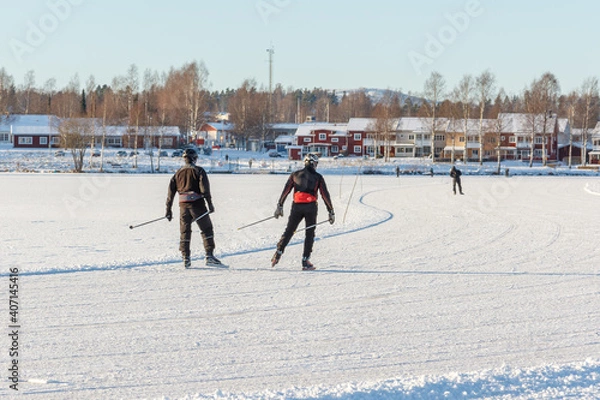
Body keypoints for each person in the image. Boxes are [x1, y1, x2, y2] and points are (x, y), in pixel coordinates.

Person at [271, 153, 335, 270]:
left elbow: (286, 191)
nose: (316, 166)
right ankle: (305, 261)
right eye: (316, 163)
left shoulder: (295, 175)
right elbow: (325, 195)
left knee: (289, 230)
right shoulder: (318, 177)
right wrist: (331, 211)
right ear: (312, 163)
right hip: (311, 207)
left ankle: (278, 253)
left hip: (296, 206)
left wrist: (280, 206)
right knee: (309, 233)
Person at [165, 148, 223, 268]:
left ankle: (186, 258)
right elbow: (204, 189)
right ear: (194, 158)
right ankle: (209, 256)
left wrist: (168, 210)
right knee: (206, 229)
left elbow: (170, 193)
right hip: (197, 205)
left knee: (185, 231)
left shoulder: (178, 173)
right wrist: (210, 204)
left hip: (183, 206)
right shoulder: (199, 171)